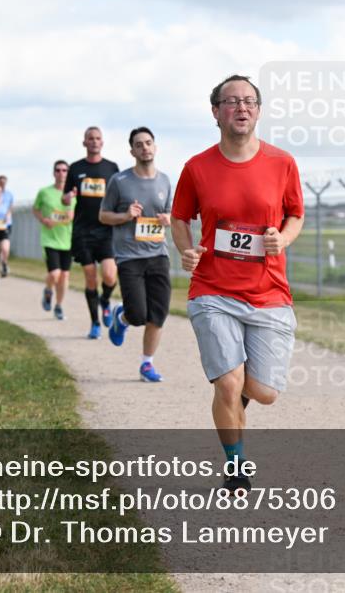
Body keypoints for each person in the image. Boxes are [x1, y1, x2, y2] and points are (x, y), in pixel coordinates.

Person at [171, 74, 304, 494]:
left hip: (268, 292)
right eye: (231, 101)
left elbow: (295, 215)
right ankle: (236, 465)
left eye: (248, 101)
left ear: (259, 110)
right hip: (212, 289)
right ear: (216, 112)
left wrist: (281, 238)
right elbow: (179, 218)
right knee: (228, 382)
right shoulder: (197, 167)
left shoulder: (282, 163)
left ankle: (233, 399)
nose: (241, 108)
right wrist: (186, 250)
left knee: (263, 392)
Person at [101, 127, 173, 383]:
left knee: (159, 313)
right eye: (139, 144)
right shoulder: (119, 182)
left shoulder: (165, 180)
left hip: (157, 253)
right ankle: (122, 317)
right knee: (138, 314)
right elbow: (104, 215)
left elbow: (171, 215)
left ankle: (146, 364)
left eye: (149, 143)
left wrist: (167, 219)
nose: (145, 148)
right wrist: (125, 215)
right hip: (129, 256)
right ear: (132, 151)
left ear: (155, 146)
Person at [63, 127, 120, 339]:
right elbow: (66, 195)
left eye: (97, 139)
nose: (94, 142)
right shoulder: (76, 168)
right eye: (90, 139)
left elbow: (119, 194)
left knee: (109, 274)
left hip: (106, 230)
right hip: (83, 231)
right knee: (89, 278)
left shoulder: (111, 167)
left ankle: (105, 300)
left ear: (102, 142)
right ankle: (95, 322)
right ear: (84, 143)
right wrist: (67, 198)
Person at [33, 160, 77, 320]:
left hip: (68, 239)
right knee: (55, 274)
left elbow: (75, 215)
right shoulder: (44, 192)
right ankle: (48, 289)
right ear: (54, 173)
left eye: (65, 170)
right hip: (50, 239)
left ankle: (58, 306)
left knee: (65, 276)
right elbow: (35, 209)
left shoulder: (73, 194)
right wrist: (43, 219)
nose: (61, 173)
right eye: (58, 170)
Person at [0, 174, 14, 276]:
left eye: (4, 182)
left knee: (5, 248)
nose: (2, 184)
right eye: (0, 182)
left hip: (5, 224)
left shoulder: (9, 194)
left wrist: (7, 215)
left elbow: (11, 207)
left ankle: (4, 264)